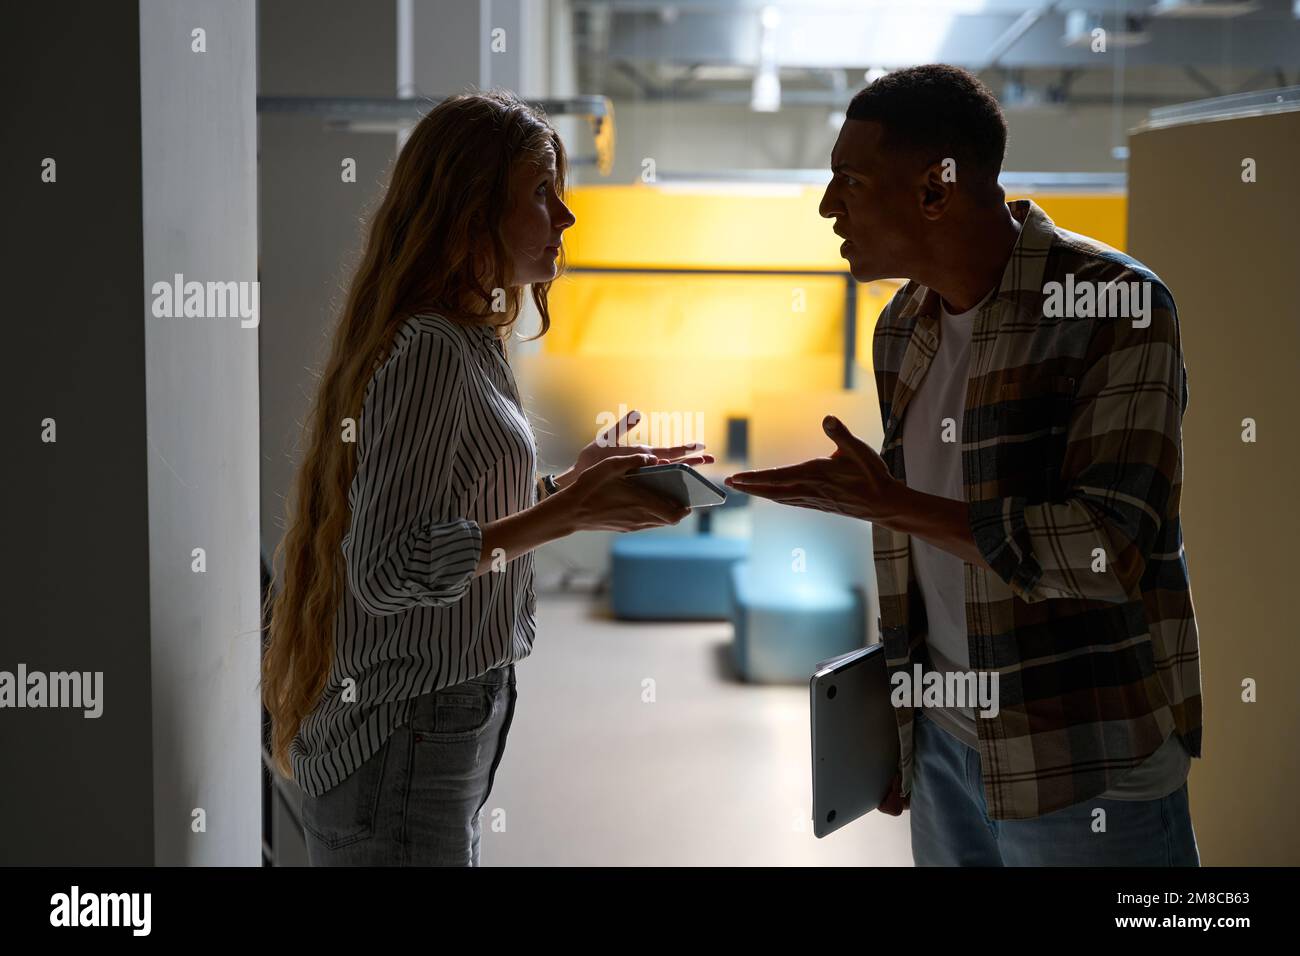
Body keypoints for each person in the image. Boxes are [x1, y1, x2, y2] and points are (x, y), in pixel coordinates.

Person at [726, 64, 1202, 866]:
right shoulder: (901, 326)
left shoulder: (1118, 306)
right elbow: (925, 571)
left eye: (849, 180)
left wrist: (890, 503)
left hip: (1084, 765)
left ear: (936, 192)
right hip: (946, 748)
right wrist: (900, 727)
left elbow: (1106, 550)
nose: (827, 206)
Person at [261, 90, 710, 866]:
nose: (564, 216)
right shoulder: (433, 347)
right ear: (471, 211)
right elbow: (388, 569)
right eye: (541, 192)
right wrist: (567, 514)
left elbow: (447, 515)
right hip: (404, 735)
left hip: (436, 721)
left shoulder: (468, 339)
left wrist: (565, 488)